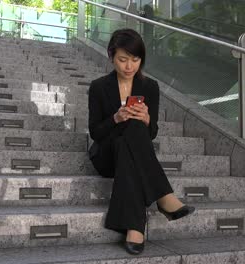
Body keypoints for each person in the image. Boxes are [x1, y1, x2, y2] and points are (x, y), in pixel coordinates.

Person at [88, 28, 195, 255]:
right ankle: (164, 197)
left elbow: (152, 133)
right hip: (106, 156)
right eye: (123, 59)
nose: (129, 66)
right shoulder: (98, 87)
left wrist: (147, 120)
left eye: (135, 60)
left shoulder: (150, 87)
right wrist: (115, 118)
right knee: (128, 134)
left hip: (129, 153)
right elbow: (95, 132)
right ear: (111, 57)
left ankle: (135, 227)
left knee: (136, 128)